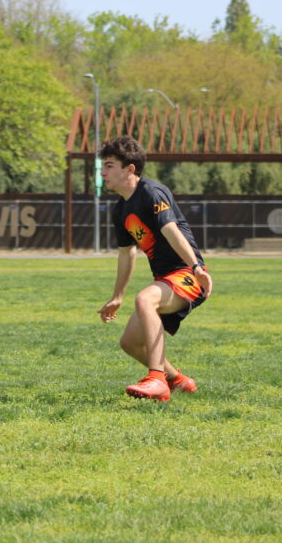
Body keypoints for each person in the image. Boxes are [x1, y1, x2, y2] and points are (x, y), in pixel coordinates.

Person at [97, 136, 212, 402]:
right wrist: (117, 297)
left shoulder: (151, 192)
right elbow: (127, 253)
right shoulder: (120, 210)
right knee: (130, 343)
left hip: (187, 276)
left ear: (130, 169)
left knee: (146, 298)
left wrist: (196, 267)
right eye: (103, 166)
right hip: (166, 278)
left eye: (110, 165)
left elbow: (171, 230)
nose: (103, 172)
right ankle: (178, 381)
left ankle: (157, 379)